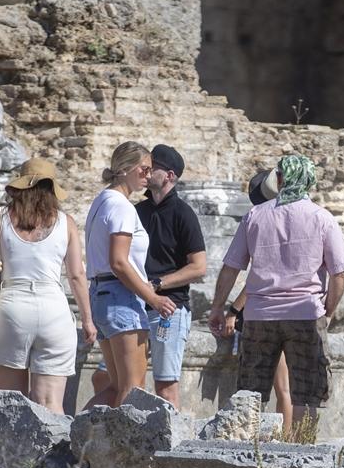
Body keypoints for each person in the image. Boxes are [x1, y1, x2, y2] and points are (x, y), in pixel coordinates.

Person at [209, 154, 344, 440]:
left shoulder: (255, 215)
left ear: (280, 179)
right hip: (305, 313)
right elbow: (340, 274)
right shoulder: (322, 218)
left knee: (251, 393)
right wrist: (329, 310)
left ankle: (250, 454)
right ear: (310, 180)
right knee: (308, 393)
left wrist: (216, 307)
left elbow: (231, 268)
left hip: (260, 315)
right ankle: (300, 456)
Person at [0, 158, 96, 413]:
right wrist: (87, 319)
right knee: (51, 404)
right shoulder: (66, 222)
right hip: (54, 310)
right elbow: (76, 275)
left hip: (11, 308)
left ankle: (11, 453)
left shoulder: (1, 216)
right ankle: (51, 453)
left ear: (19, 187)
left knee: (10, 402)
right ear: (52, 190)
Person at [85, 141, 176, 407]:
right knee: (133, 389)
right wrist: (154, 298)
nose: (148, 177)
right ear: (125, 169)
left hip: (102, 295)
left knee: (116, 388)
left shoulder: (102, 200)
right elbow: (119, 262)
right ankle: (123, 449)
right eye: (144, 170)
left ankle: (71, 439)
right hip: (120, 296)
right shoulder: (122, 206)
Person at [216, 168, 291, 431]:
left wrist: (232, 310)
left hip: (265, 312)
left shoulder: (260, 219)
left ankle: (266, 440)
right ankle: (291, 441)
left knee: (265, 387)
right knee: (285, 388)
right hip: (295, 311)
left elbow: (259, 275)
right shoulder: (298, 219)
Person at [135, 144, 206, 407]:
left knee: (166, 388)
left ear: (170, 176)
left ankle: (170, 445)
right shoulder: (137, 211)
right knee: (114, 380)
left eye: (153, 167)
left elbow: (198, 267)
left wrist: (157, 284)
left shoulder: (183, 214)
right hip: (136, 307)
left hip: (169, 309)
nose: (146, 170)